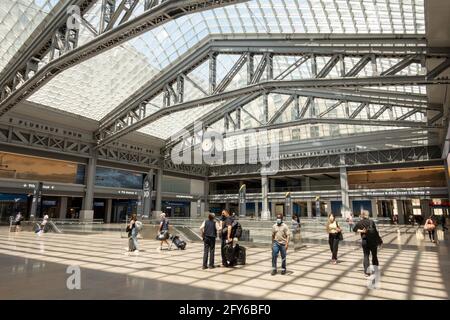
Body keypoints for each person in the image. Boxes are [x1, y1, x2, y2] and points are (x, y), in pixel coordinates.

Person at [353, 210, 381, 277]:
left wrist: (362, 231)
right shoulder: (371, 222)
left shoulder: (360, 222)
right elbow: (376, 232)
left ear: (362, 215)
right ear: (368, 215)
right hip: (373, 241)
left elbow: (354, 229)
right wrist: (379, 241)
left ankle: (366, 272)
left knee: (366, 255)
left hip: (365, 241)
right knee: (374, 255)